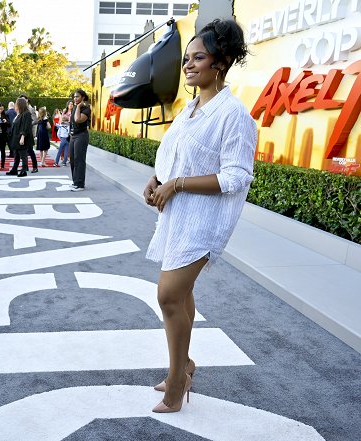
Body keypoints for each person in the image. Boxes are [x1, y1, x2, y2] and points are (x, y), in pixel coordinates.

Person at [143, 18, 255, 413]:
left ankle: (177, 380)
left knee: (169, 294)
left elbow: (237, 176)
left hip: (203, 220)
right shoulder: (189, 109)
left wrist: (178, 184)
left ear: (220, 63)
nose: (188, 65)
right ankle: (185, 363)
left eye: (198, 58)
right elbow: (174, 155)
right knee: (182, 295)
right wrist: (157, 178)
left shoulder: (234, 114)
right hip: (177, 214)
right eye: (186, 58)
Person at [68, 89, 91, 192]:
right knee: (72, 159)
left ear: (83, 97)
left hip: (81, 136)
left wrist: (78, 107)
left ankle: (80, 184)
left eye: (77, 97)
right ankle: (75, 182)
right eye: (74, 97)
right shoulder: (75, 108)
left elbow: (78, 120)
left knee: (79, 159)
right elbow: (72, 121)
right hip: (73, 136)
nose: (75, 98)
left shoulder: (86, 109)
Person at [5, 97, 33, 177]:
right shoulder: (19, 114)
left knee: (23, 155)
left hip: (21, 138)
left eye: (16, 104)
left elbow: (26, 126)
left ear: (20, 105)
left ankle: (24, 170)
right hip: (16, 137)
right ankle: (14, 169)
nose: (15, 106)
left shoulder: (26, 114)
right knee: (16, 154)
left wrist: (23, 136)